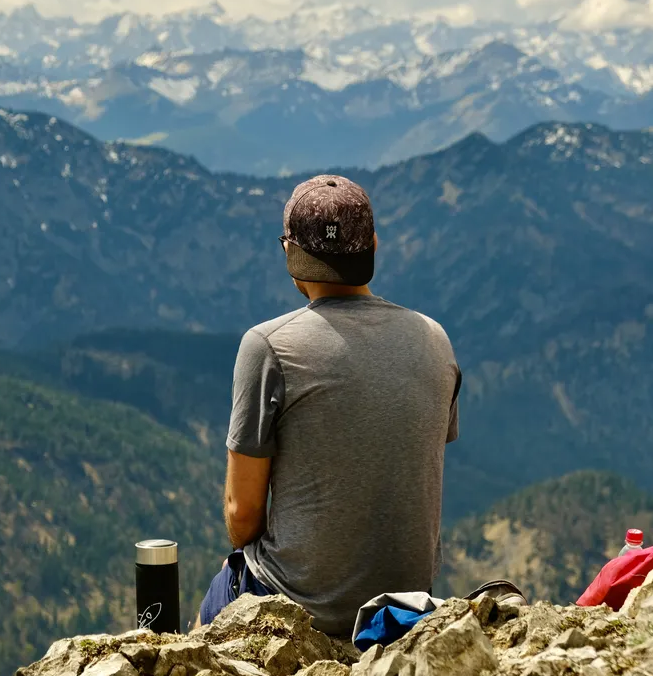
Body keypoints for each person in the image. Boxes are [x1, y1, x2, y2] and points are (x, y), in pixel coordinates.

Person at [195, 174, 462, 638]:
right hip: (402, 607)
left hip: (298, 611)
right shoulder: (435, 339)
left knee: (214, 603)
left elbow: (242, 514)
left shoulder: (268, 346)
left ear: (290, 253)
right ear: (373, 246)